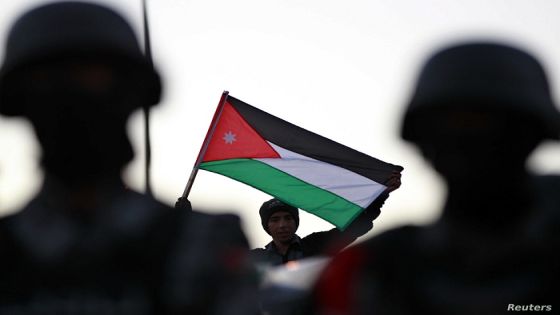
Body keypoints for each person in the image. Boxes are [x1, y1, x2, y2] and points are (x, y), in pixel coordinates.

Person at [0, 2, 257, 314]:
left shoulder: (200, 245)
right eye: (47, 81)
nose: (71, 99)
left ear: (132, 93)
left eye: (92, 77)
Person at [311, 42, 560, 315]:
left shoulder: (368, 268)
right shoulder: (367, 270)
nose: (468, 141)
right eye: (451, 124)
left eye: (486, 123)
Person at [250, 173, 401, 267]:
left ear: (295, 221)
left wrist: (382, 194)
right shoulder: (255, 259)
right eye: (275, 220)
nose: (282, 225)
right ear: (266, 225)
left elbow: (357, 226)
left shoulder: (316, 244)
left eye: (288, 218)